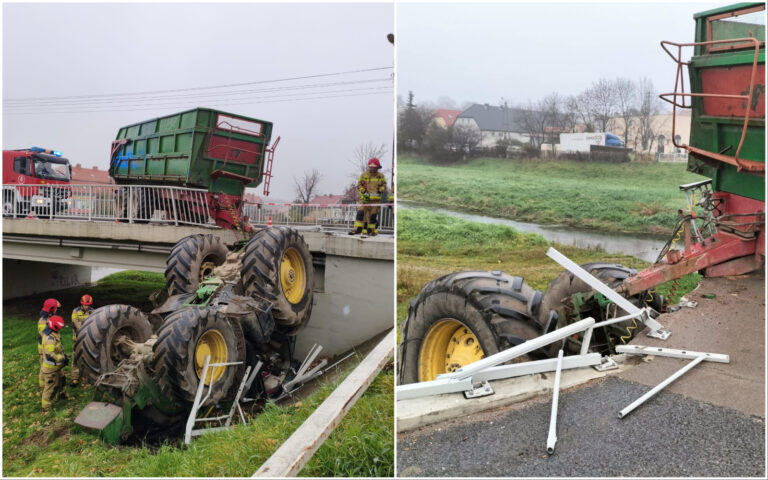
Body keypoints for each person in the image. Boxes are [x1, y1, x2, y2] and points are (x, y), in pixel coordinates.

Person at [350, 157, 387, 237]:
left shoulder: (381, 176)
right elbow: (359, 184)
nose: (372, 169)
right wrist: (362, 190)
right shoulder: (364, 175)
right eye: (371, 167)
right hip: (366, 197)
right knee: (361, 213)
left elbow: (384, 185)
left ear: (377, 167)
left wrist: (381, 189)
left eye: (374, 167)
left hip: (376, 199)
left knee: (373, 216)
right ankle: (357, 230)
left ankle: (371, 231)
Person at [40, 315, 69, 411]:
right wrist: (62, 358)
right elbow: (50, 356)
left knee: (62, 380)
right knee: (51, 389)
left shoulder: (52, 333)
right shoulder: (50, 340)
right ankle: (46, 408)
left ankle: (61, 395)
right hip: (51, 370)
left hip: (56, 367)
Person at [70, 294, 93, 386]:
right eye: (85, 305)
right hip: (77, 339)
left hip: (89, 339)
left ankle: (88, 376)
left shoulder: (93, 311)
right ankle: (75, 378)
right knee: (76, 358)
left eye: (88, 305)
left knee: (89, 357)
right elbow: (76, 324)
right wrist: (85, 325)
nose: (87, 307)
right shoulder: (75, 311)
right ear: (81, 303)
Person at [38, 298, 61, 387]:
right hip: (45, 350)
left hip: (51, 347)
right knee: (45, 370)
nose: (57, 310)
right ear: (51, 309)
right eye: (56, 308)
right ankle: (44, 388)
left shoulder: (49, 318)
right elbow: (46, 336)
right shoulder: (43, 322)